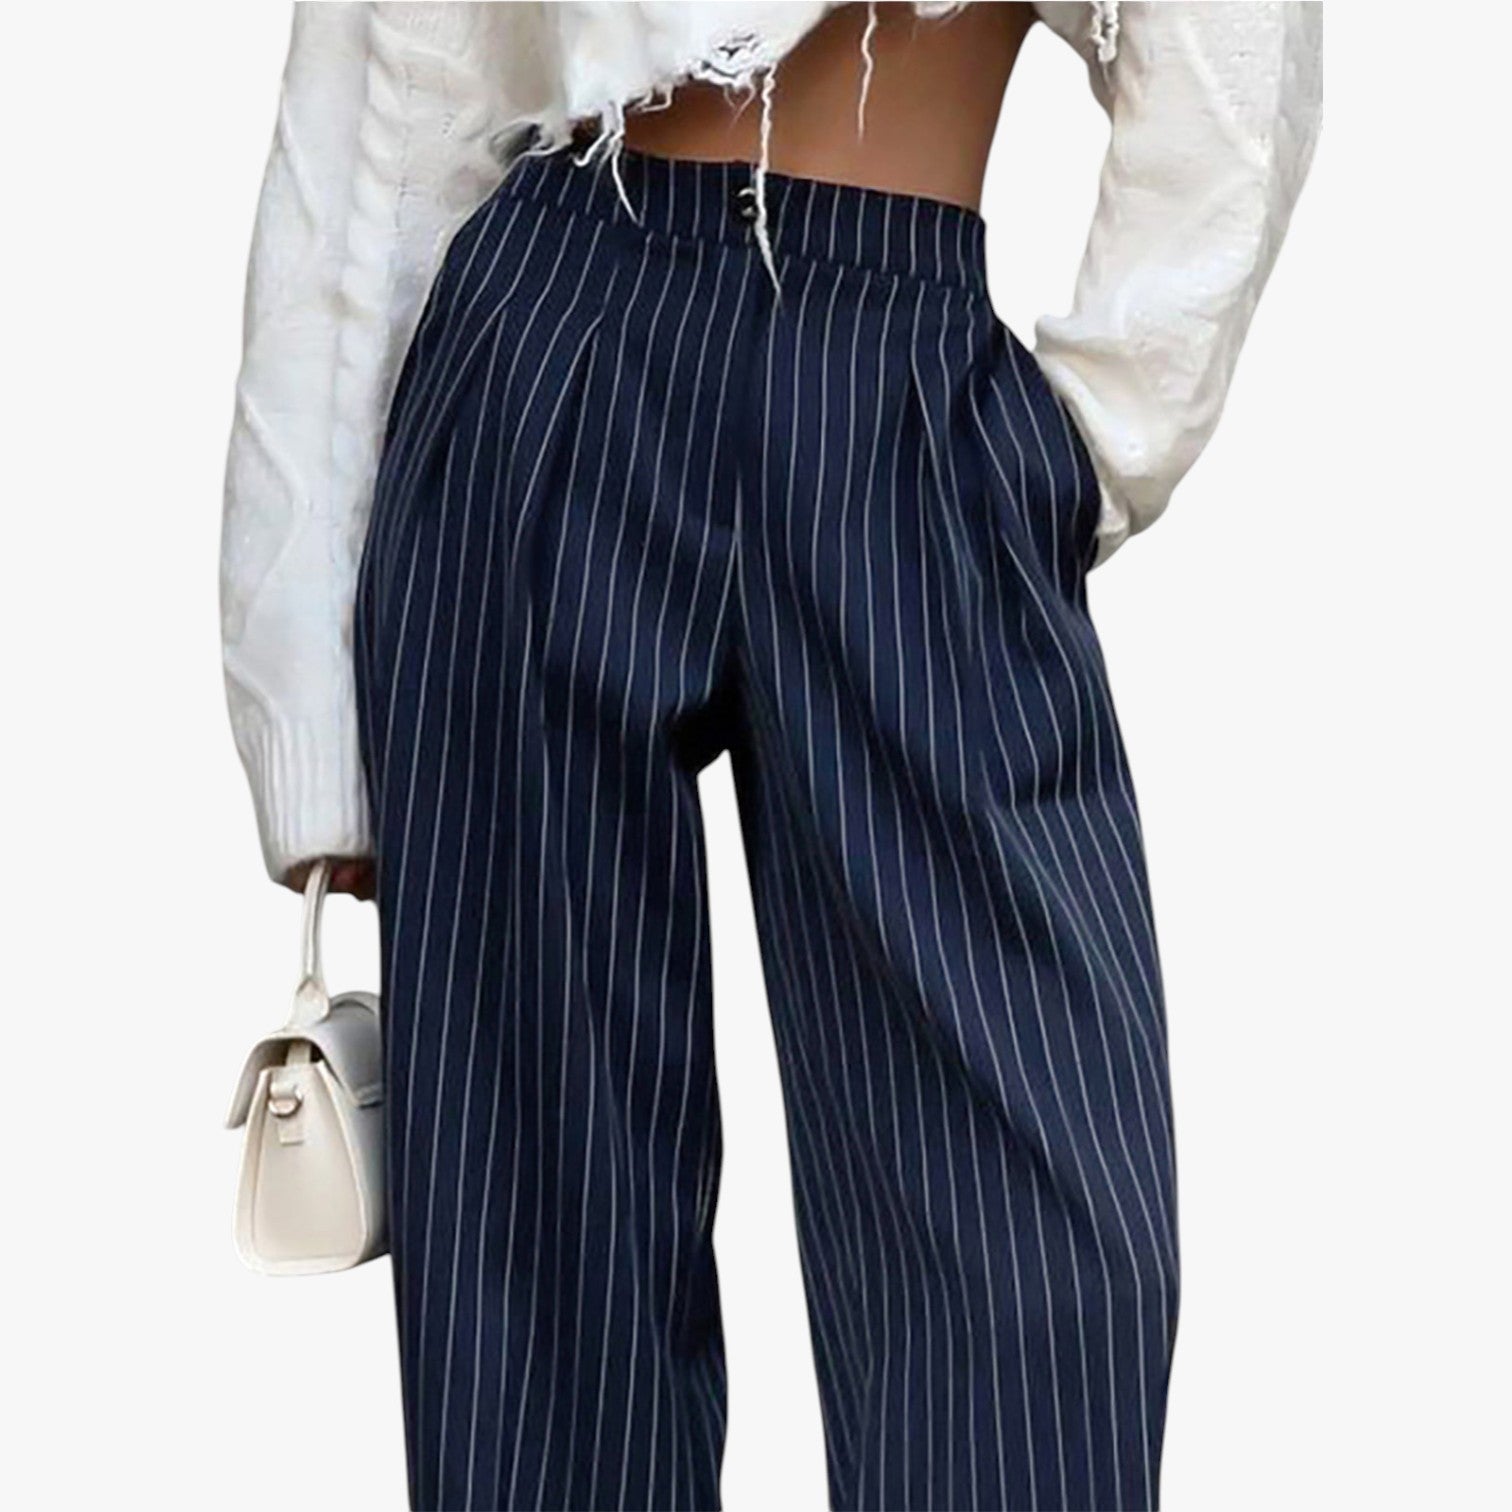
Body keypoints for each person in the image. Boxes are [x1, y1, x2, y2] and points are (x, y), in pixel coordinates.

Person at [220, 4, 1322, 1508]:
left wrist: (1084, 448)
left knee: (1040, 1264)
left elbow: (1231, 47)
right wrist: (306, 694)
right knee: (541, 1266)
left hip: (902, 379)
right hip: (550, 335)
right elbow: (388, 71)